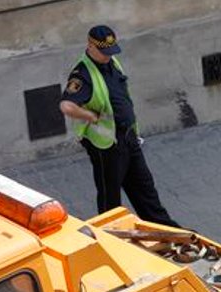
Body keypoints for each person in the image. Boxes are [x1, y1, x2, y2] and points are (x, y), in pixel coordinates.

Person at [59, 24, 181, 227]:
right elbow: (66, 105)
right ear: (90, 46)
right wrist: (90, 115)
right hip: (106, 146)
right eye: (104, 52)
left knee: (144, 186)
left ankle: (167, 230)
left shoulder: (112, 62)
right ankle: (110, 236)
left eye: (111, 51)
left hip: (128, 137)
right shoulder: (82, 74)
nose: (108, 56)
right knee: (110, 199)